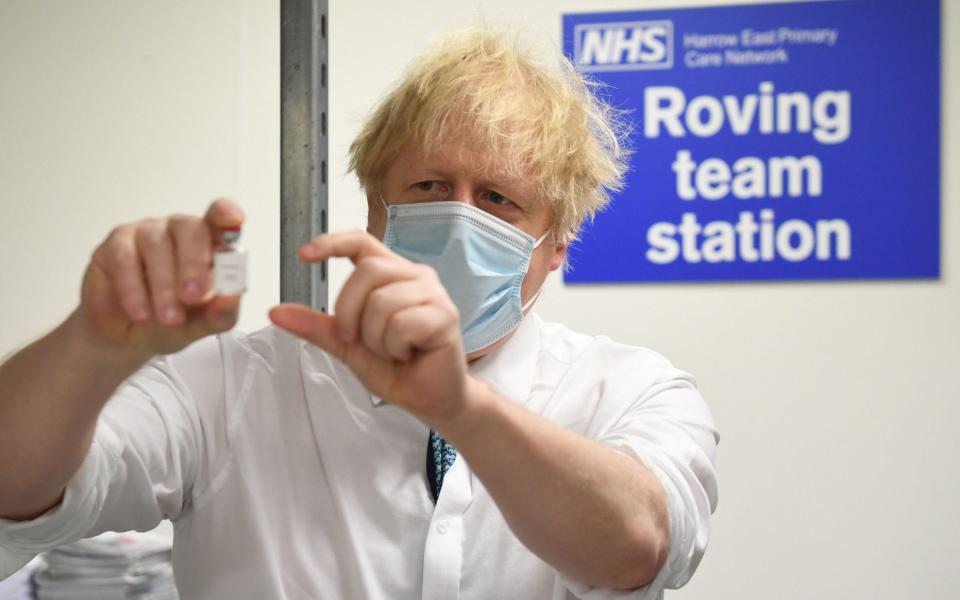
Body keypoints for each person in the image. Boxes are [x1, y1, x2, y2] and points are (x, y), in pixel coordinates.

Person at [0, 27, 717, 599]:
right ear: (377, 212)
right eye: (429, 185)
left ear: (555, 245)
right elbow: (17, 489)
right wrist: (93, 345)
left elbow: (636, 550)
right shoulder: (230, 385)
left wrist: (460, 408)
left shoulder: (631, 390)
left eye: (498, 199)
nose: (458, 220)